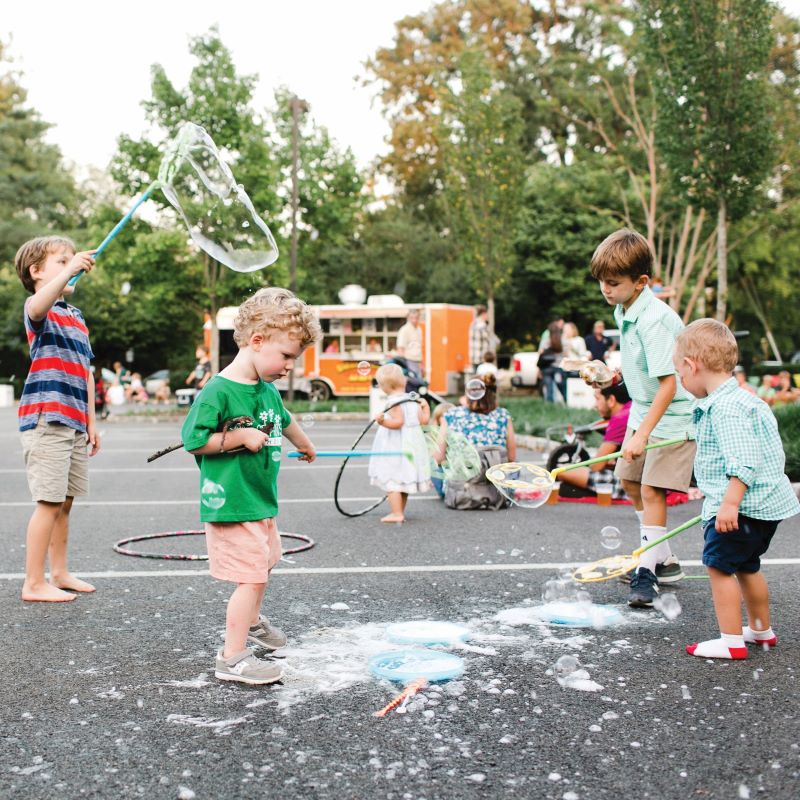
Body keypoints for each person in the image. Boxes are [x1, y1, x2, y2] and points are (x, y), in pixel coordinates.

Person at [181, 288, 321, 685]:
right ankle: (232, 657)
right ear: (257, 342)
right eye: (288, 356)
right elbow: (194, 440)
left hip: (260, 500)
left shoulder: (266, 389)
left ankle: (253, 621)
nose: (291, 366)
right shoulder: (219, 390)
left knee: (266, 563)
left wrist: (304, 442)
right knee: (252, 576)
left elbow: (285, 417)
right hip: (231, 502)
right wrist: (238, 439)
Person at [674, 319, 799, 659]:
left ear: (691, 365)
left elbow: (744, 460)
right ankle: (761, 630)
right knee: (748, 565)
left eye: (679, 374)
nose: (681, 382)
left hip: (740, 508)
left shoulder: (725, 408)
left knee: (719, 566)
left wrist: (729, 504)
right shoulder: (746, 401)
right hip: (762, 508)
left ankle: (730, 641)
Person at [591, 228, 696, 608]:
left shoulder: (654, 319)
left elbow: (669, 385)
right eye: (602, 282)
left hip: (673, 416)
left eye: (613, 283)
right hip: (644, 408)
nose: (605, 289)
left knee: (652, 490)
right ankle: (662, 558)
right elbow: (648, 370)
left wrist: (641, 435)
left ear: (641, 282)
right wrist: (617, 377)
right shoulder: (625, 308)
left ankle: (646, 572)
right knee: (629, 481)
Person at [15, 236, 100, 603]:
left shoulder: (75, 317)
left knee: (65, 502)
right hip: (47, 417)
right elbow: (37, 305)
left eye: (71, 259)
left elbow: (87, 372)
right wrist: (71, 266)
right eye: (60, 261)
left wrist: (91, 422)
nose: (71, 264)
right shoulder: (40, 309)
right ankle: (33, 582)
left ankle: (59, 572)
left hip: (73, 420)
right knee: (48, 502)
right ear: (36, 272)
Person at [437, 373, 517, 510]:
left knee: (435, 464)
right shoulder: (503, 415)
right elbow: (511, 457)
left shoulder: (451, 415)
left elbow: (439, 457)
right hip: (497, 494)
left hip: (462, 494)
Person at [368, 363, 431, 523]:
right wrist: (426, 408)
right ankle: (399, 510)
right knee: (404, 478)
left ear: (383, 387)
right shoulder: (412, 400)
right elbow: (424, 421)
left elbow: (397, 423)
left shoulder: (393, 402)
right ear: (403, 382)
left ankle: (397, 513)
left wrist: (382, 422)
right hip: (411, 445)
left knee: (392, 478)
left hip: (395, 445)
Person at [558, 383, 632, 499]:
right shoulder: (630, 409)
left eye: (597, 399)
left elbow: (596, 466)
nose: (595, 405)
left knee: (561, 471)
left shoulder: (620, 418)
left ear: (611, 400)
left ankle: (589, 492)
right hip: (645, 477)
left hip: (631, 483)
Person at [429, 402, 454, 498]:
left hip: (450, 481)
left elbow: (438, 459)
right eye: (444, 416)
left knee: (433, 462)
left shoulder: (445, 435)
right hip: (448, 477)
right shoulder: (436, 435)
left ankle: (443, 489)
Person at [539, 321, 566, 403]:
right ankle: (566, 400)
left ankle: (550, 404)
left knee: (549, 388)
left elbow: (540, 353)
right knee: (562, 387)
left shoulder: (545, 342)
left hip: (546, 368)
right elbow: (566, 355)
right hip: (558, 367)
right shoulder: (563, 341)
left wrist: (538, 368)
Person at [469, 305, 499, 372]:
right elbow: (491, 338)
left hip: (474, 357)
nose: (488, 316)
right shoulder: (482, 325)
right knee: (484, 379)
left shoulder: (472, 324)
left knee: (477, 378)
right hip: (482, 358)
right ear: (483, 314)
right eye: (487, 314)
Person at [396, 309, 424, 378]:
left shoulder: (419, 329)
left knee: (419, 385)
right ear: (408, 318)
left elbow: (418, 348)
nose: (414, 320)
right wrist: (405, 365)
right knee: (412, 385)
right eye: (412, 318)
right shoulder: (404, 330)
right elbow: (400, 349)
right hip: (409, 362)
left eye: (416, 318)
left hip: (418, 362)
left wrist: (422, 364)